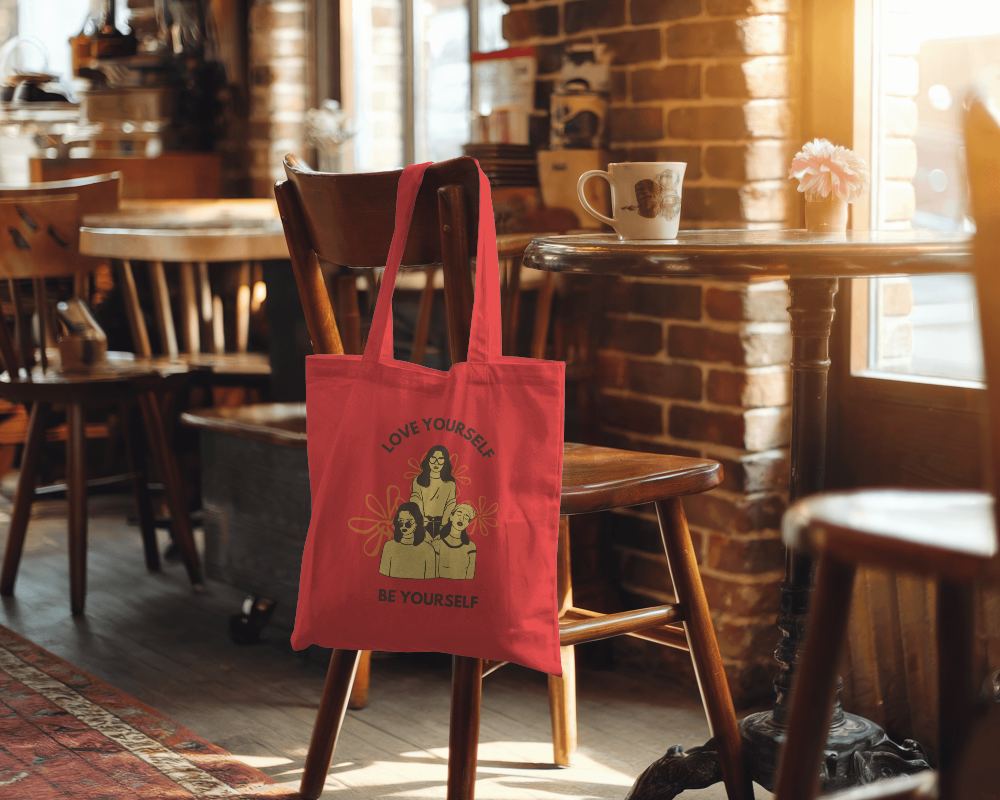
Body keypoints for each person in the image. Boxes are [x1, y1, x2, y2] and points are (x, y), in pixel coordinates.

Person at [378, 502, 437, 579]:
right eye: (401, 522)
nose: (404, 526)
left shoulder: (428, 549)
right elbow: (383, 578)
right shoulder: (389, 547)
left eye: (408, 522)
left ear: (417, 523)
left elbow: (431, 581)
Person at [410, 445, 457, 539]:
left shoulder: (450, 483)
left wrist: (443, 525)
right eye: (433, 458)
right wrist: (421, 521)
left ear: (445, 462)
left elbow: (451, 504)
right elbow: (415, 500)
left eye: (440, 459)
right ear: (428, 459)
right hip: (422, 523)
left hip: (443, 524)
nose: (436, 462)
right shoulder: (418, 480)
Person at [431, 503, 477, 580]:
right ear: (451, 517)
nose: (461, 519)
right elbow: (433, 574)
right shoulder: (437, 544)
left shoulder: (471, 547)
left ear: (468, 523)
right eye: (459, 514)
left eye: (466, 517)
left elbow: (470, 576)